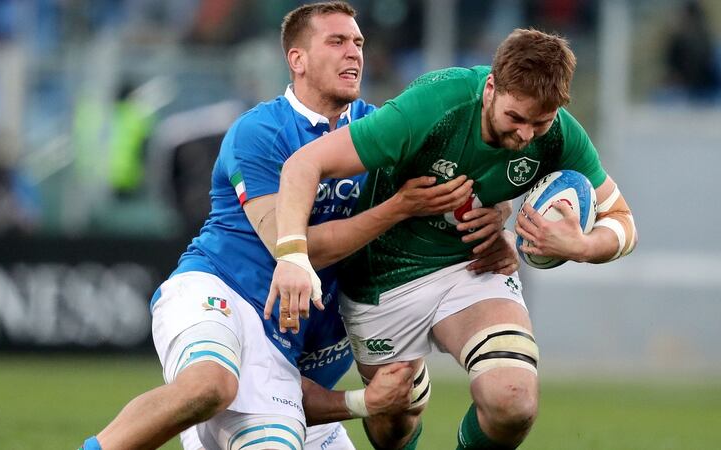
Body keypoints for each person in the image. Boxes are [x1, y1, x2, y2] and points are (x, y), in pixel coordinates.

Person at [80, 3, 515, 449]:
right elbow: (292, 249)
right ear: (297, 59)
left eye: (358, 43)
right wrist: (398, 207)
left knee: (289, 413)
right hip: (223, 291)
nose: (354, 52)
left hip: (294, 330)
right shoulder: (260, 131)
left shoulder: (384, 129)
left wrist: (497, 221)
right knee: (209, 385)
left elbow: (466, 180)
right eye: (337, 41)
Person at [268, 28, 638, 449]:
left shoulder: (559, 135)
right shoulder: (431, 107)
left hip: (471, 267)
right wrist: (292, 256)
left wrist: (582, 246)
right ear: (491, 88)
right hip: (382, 277)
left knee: (513, 400)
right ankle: (407, 398)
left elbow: (622, 220)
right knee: (393, 424)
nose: (526, 135)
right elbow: (304, 164)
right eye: (516, 118)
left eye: (541, 122)